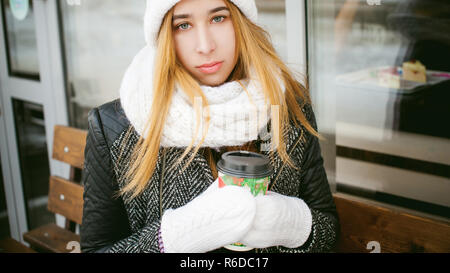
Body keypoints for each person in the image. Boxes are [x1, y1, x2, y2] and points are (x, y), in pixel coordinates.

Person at [80, 0, 339, 253]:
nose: (206, 46)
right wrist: (171, 238)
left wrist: (292, 224)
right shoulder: (116, 126)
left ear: (240, 21)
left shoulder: (288, 104)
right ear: (163, 36)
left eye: (218, 18)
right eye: (183, 25)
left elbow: (327, 227)